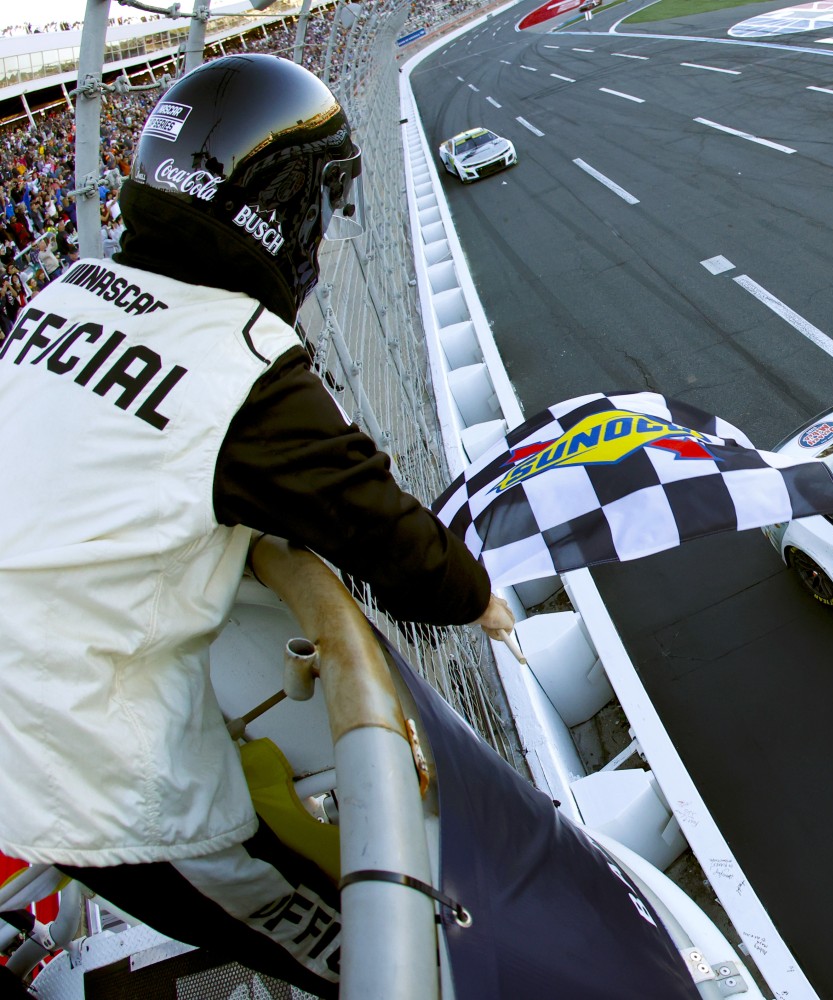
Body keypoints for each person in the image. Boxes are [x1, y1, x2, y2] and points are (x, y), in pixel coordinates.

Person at [0, 54, 514, 998]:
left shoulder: (60, 295)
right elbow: (390, 537)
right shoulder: (240, 364)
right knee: (392, 949)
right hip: (83, 778)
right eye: (320, 205)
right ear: (275, 211)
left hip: (25, 706)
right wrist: (479, 594)